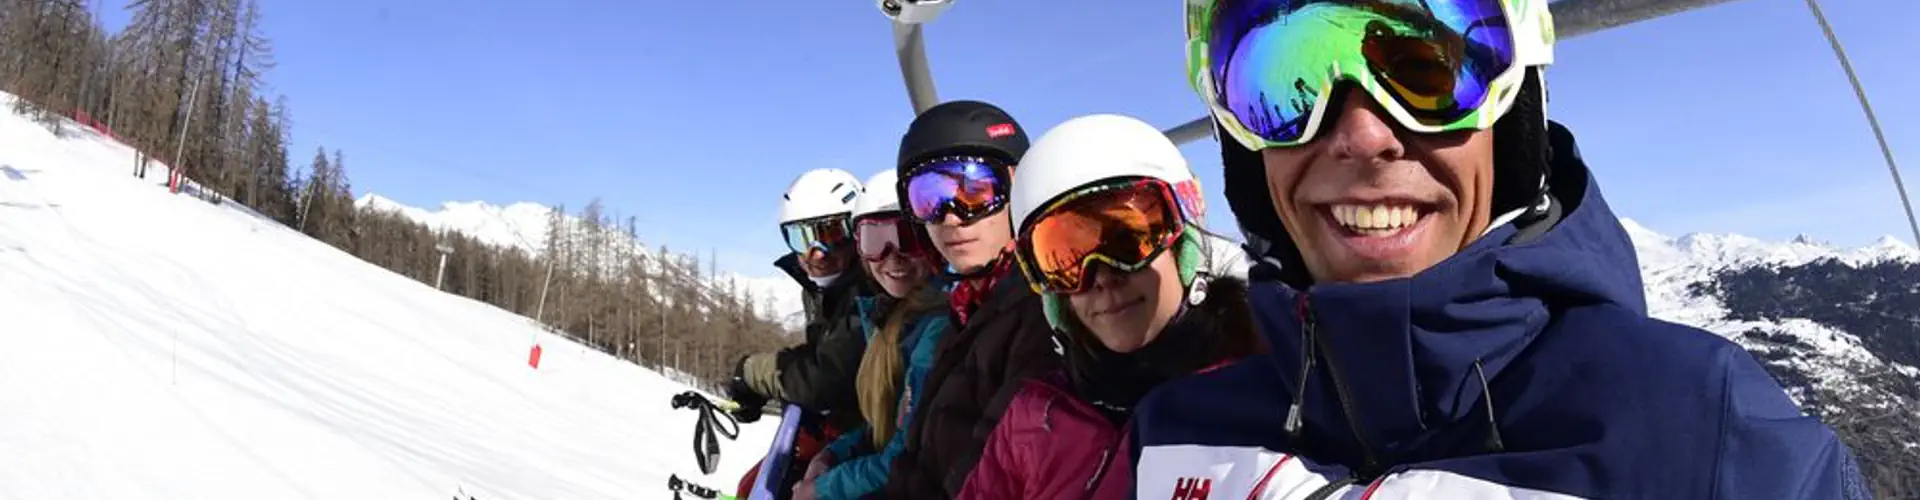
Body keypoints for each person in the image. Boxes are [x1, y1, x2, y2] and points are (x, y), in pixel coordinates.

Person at [1129, 0, 1872, 498]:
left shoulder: (1705, 435)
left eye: (1426, 75)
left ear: (1513, 118)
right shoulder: (1175, 436)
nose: (1359, 135)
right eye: (1279, 86)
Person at [955, 114, 1263, 499]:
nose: (1100, 277)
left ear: (1184, 243)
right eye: (1063, 258)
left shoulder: (1256, 398)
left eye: (1128, 241)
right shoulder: (1035, 415)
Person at [877, 100, 1063, 500]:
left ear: (1019, 188)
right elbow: (919, 464)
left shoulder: (1045, 313)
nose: (951, 217)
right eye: (929, 198)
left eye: (976, 191)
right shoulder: (965, 310)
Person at [791, 169, 952, 500]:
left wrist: (821, 491)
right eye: (875, 241)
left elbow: (906, 456)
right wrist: (833, 454)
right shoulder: (886, 315)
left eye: (908, 238)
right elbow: (883, 425)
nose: (892, 257)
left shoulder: (938, 324)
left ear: (932, 242)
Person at [730, 167, 875, 498]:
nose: (815, 254)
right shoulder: (826, 290)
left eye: (829, 233)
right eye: (800, 238)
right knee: (753, 485)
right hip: (842, 430)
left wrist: (755, 373)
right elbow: (824, 354)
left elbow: (828, 377)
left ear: (857, 231)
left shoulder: (871, 288)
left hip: (865, 436)